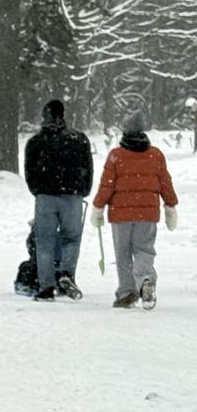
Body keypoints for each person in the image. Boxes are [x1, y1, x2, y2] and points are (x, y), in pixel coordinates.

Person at [91, 114, 180, 309]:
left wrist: (98, 206)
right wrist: (170, 204)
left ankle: (127, 293)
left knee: (122, 253)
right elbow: (165, 182)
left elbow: (107, 185)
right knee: (144, 249)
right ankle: (145, 280)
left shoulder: (116, 155)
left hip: (120, 215)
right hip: (147, 214)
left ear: (125, 130)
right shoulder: (155, 155)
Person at [23, 98, 93, 301]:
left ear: (45, 116)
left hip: (45, 195)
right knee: (71, 238)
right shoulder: (79, 139)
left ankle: (46, 286)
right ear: (63, 115)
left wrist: (37, 189)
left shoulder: (36, 142)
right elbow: (87, 167)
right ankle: (67, 275)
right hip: (72, 195)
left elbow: (29, 170)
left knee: (44, 242)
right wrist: (83, 189)